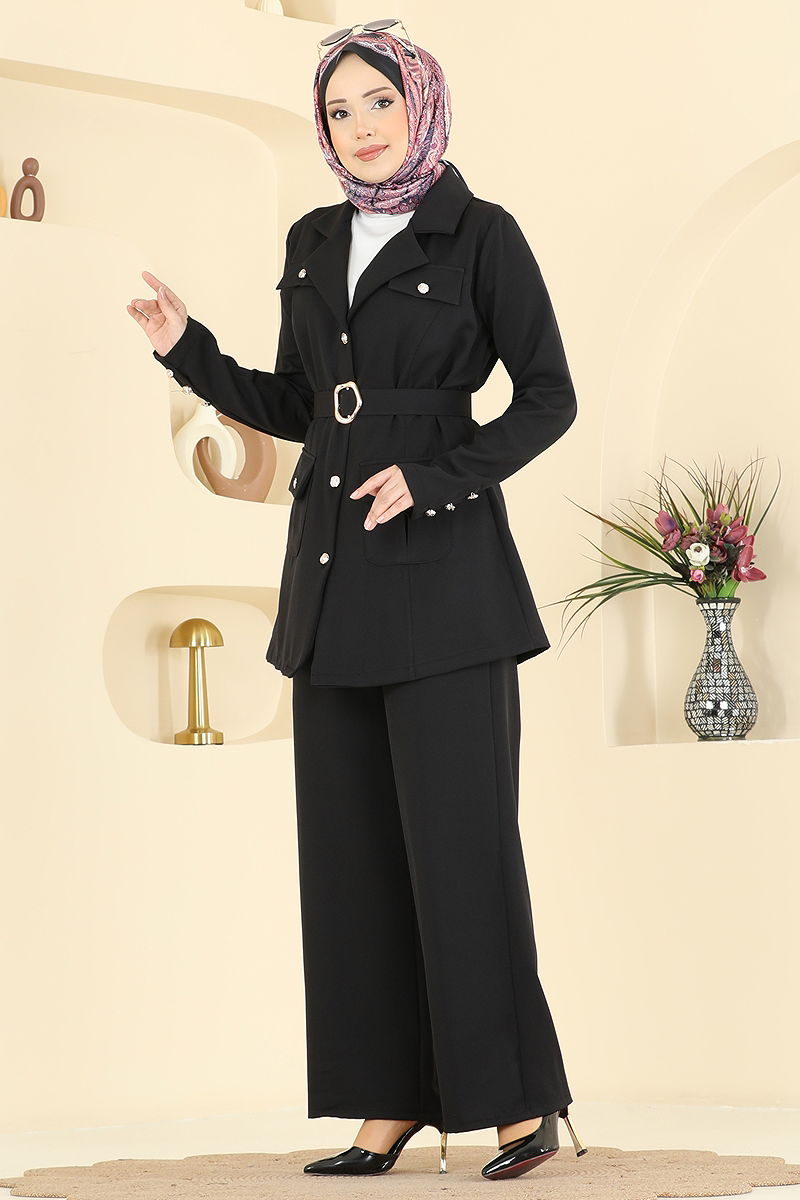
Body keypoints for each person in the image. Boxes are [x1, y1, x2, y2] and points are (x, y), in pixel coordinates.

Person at [127, 18, 587, 1182]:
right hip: (330, 583)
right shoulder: (312, 237)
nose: (360, 127)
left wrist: (436, 478)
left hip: (445, 582)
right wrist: (186, 350)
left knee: (461, 851)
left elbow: (547, 397)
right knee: (352, 860)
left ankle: (516, 1107)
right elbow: (300, 403)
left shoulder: (481, 234)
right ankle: (385, 1107)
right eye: (338, 111)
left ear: (418, 103)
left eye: (378, 101)